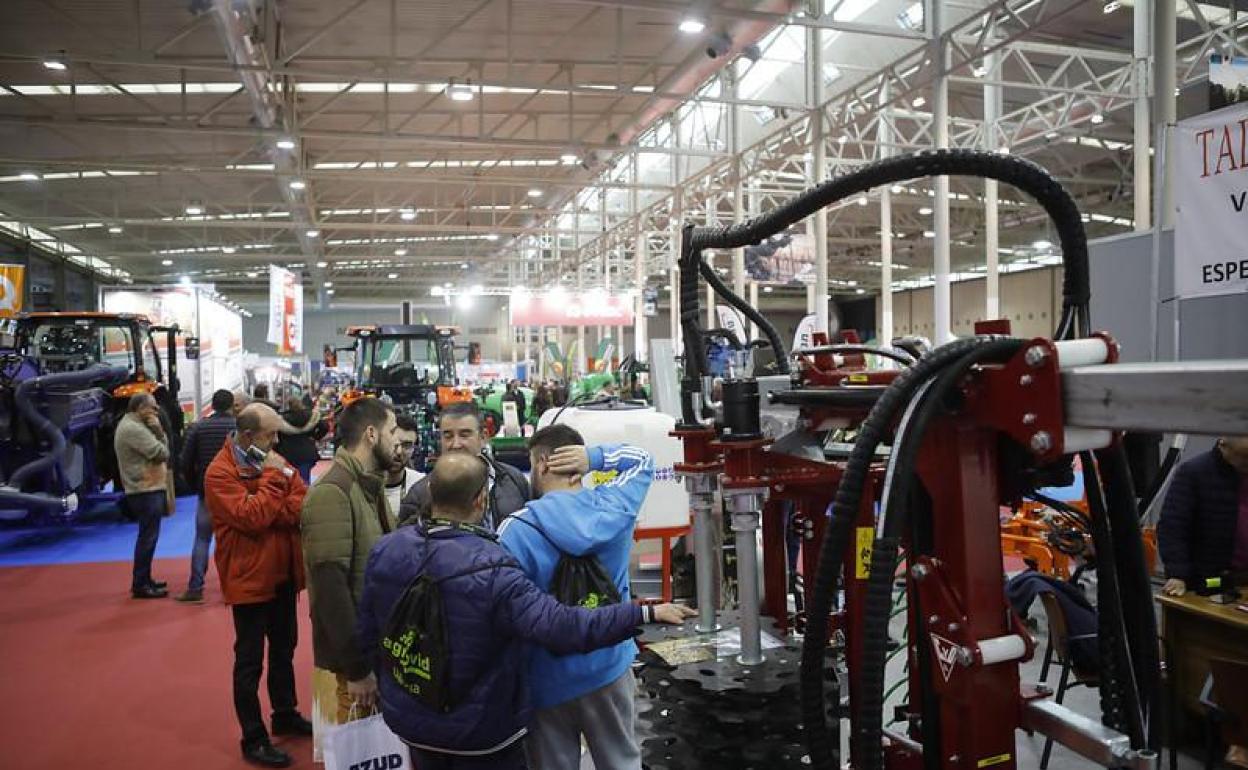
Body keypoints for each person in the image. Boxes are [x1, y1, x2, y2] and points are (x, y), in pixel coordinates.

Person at [357, 453, 694, 770]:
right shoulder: (493, 566)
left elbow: (370, 630)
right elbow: (560, 625)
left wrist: (377, 680)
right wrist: (642, 613)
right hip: (484, 733)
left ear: (430, 491)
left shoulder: (387, 550)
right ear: (480, 501)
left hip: (414, 721)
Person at [497, 426, 656, 770]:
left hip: (547, 676)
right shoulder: (615, 506)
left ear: (541, 465)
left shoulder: (515, 529)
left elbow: (503, 606)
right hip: (610, 666)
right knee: (622, 760)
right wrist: (595, 458)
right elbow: (643, 460)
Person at [205, 403, 311, 768]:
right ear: (249, 435)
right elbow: (251, 519)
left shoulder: (275, 461)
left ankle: (285, 713)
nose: (277, 441)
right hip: (249, 582)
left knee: (284, 650)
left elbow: (302, 505)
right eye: (271, 435)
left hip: (283, 577)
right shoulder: (220, 473)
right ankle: (253, 737)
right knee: (249, 662)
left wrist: (269, 501)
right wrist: (273, 483)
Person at [300, 398, 401, 761]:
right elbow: (330, 591)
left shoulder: (365, 488)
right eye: (391, 433)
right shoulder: (333, 494)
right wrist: (357, 669)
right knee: (354, 753)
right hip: (351, 667)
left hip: (371, 653)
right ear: (371, 435)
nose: (397, 442)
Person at [398, 402, 530, 531]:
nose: (456, 444)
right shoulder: (419, 493)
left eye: (464, 435)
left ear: (483, 437)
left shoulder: (513, 480)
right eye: (448, 436)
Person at [1159, 436, 1248, 597]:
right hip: (1206, 582)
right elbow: (1173, 527)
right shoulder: (1194, 472)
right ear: (1223, 438)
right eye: (1243, 458)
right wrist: (1178, 574)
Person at [175, 388, 236, 603]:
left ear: (213, 404)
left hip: (206, 492)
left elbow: (184, 462)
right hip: (233, 494)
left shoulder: (199, 428)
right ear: (232, 405)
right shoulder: (238, 428)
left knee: (202, 539)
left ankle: (195, 588)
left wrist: (196, 485)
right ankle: (232, 588)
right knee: (231, 541)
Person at [114, 393, 174, 599]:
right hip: (144, 490)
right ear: (140, 408)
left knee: (148, 537)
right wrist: (158, 430)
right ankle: (141, 583)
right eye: (153, 408)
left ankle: (145, 579)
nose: (156, 413)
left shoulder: (134, 426)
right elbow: (163, 453)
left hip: (146, 488)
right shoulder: (134, 429)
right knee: (147, 538)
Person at [276, 396, 325, 484]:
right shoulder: (311, 416)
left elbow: (277, 436)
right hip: (306, 452)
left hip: (288, 453)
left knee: (290, 481)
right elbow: (325, 427)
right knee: (304, 480)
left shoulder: (282, 419)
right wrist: (315, 437)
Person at [384, 414, 425, 515]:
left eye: (407, 445)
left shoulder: (421, 485)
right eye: (395, 443)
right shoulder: (365, 483)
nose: (399, 451)